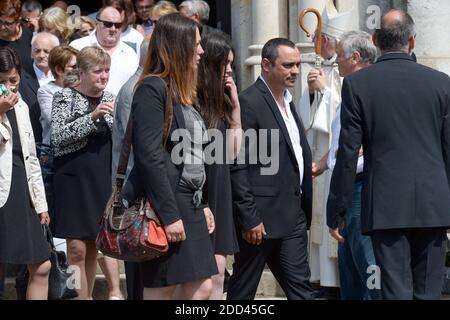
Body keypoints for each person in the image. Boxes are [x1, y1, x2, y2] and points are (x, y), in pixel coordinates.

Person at [327, 9, 450, 300]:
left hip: (385, 204)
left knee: (395, 292)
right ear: (412, 41)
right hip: (433, 203)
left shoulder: (358, 85)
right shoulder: (441, 82)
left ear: (376, 39)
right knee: (428, 293)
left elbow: (347, 153)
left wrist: (337, 210)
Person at [123, 13, 217, 300]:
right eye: (196, 44)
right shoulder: (152, 88)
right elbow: (149, 158)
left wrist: (201, 203)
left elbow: (191, 155)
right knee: (162, 288)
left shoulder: (182, 93)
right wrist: (169, 215)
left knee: (201, 286)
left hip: (189, 202)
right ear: (177, 46)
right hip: (167, 204)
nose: (201, 51)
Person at [227, 38, 314, 300]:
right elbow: (237, 164)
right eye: (288, 65)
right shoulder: (249, 102)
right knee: (242, 292)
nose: (296, 71)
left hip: (292, 216)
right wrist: (250, 217)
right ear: (266, 65)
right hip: (259, 222)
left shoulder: (289, 101)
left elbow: (289, 152)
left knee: (302, 291)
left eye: (298, 65)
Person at [312, 30, 380, 300]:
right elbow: (346, 138)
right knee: (349, 269)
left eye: (339, 56)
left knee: (369, 268)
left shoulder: (374, 87)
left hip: (364, 188)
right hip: (345, 186)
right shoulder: (352, 87)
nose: (334, 61)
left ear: (355, 56)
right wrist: (324, 162)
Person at [297, 0, 353, 296]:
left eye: (318, 39)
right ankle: (321, 279)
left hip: (337, 151)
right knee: (318, 220)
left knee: (333, 216)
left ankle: (339, 281)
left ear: (328, 41)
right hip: (318, 144)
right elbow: (307, 116)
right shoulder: (318, 66)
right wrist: (310, 93)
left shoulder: (348, 72)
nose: (315, 42)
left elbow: (347, 111)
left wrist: (325, 91)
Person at [51, 46, 115, 300]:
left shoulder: (111, 97)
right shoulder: (64, 97)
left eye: (107, 70)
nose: (104, 76)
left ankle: (86, 296)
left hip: (101, 180)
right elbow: (58, 137)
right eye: (98, 71)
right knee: (75, 248)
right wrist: (92, 117)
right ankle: (79, 297)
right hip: (72, 181)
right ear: (83, 73)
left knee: (93, 246)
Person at [0, 46, 51, 300]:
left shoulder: (21, 105)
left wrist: (41, 203)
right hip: (2, 191)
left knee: (42, 265)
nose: (8, 87)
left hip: (23, 190)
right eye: (1, 82)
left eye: (13, 80)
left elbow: (31, 157)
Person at [197, 31, 241, 300]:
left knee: (219, 272)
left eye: (232, 65)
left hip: (220, 189)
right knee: (201, 277)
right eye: (226, 64)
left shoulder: (221, 101)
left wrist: (235, 109)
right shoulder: (192, 100)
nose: (230, 71)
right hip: (199, 192)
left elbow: (233, 153)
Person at [111, 38, 149, 300]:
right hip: (137, 196)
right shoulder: (134, 90)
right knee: (139, 275)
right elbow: (134, 149)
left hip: (145, 191)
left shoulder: (146, 86)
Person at [36, 45, 78, 233]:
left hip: (78, 159)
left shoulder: (83, 89)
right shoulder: (46, 92)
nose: (78, 71)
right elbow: (56, 121)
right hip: (53, 161)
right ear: (59, 70)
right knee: (55, 218)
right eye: (73, 67)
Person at [70, 6, 139, 96]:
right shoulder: (78, 46)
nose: (113, 29)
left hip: (119, 108)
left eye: (118, 25)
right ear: (97, 23)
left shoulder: (130, 54)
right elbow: (65, 79)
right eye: (108, 24)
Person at [0, 0, 34, 74]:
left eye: (8, 23)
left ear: (18, 21)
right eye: (0, 21)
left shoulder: (29, 35)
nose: (2, 27)